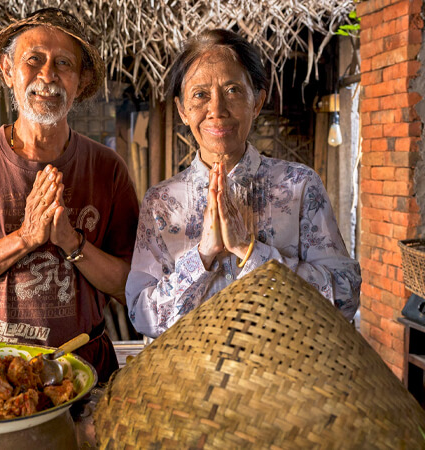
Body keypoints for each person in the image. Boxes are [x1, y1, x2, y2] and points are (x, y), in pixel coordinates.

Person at [0, 8, 139, 382]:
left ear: (81, 79)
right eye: (33, 60)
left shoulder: (107, 169)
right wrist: (25, 237)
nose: (47, 75)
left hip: (80, 370)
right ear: (8, 70)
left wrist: (72, 243)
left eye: (64, 64)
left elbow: (130, 287)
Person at [126, 29, 361, 338]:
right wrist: (203, 256)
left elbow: (344, 296)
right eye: (200, 95)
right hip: (188, 380)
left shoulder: (299, 187)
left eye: (233, 90)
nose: (217, 109)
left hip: (284, 379)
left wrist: (250, 251)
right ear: (183, 111)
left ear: (257, 101)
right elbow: (141, 314)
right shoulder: (162, 202)